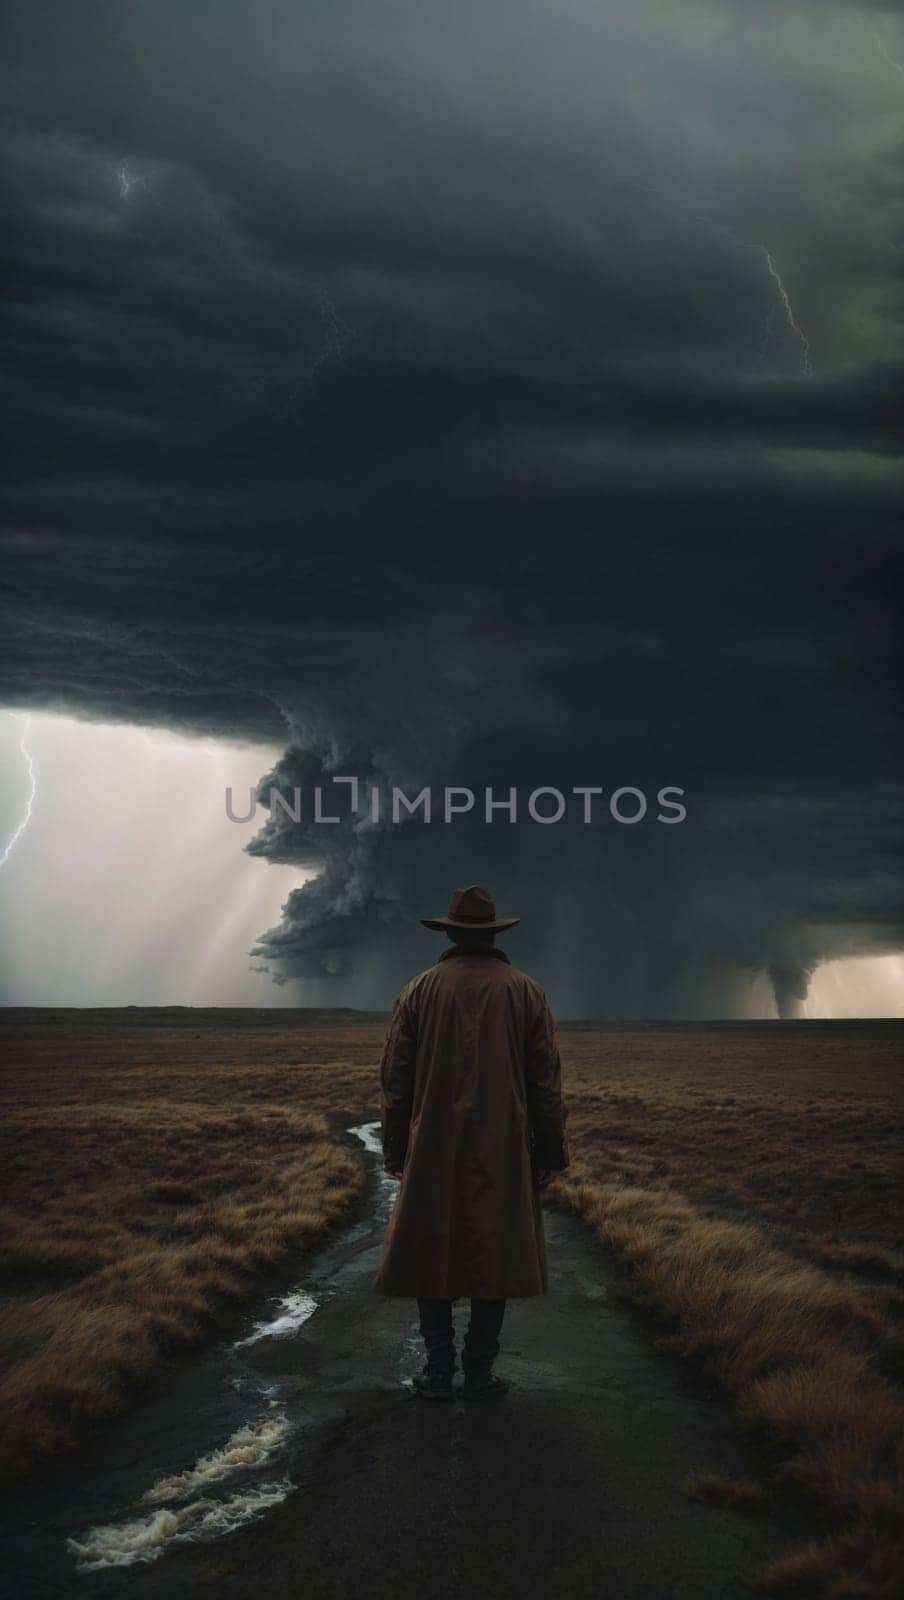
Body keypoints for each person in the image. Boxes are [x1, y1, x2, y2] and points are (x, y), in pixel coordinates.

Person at [373, 883, 570, 1402]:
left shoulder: (419, 989)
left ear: (452, 932)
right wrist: (551, 1154)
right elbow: (545, 1081)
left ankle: (439, 1372)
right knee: (495, 1251)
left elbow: (396, 1080)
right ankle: (478, 1372)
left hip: (432, 1143)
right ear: (492, 933)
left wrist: (396, 1152)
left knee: (429, 1249)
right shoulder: (526, 990)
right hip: (504, 1147)